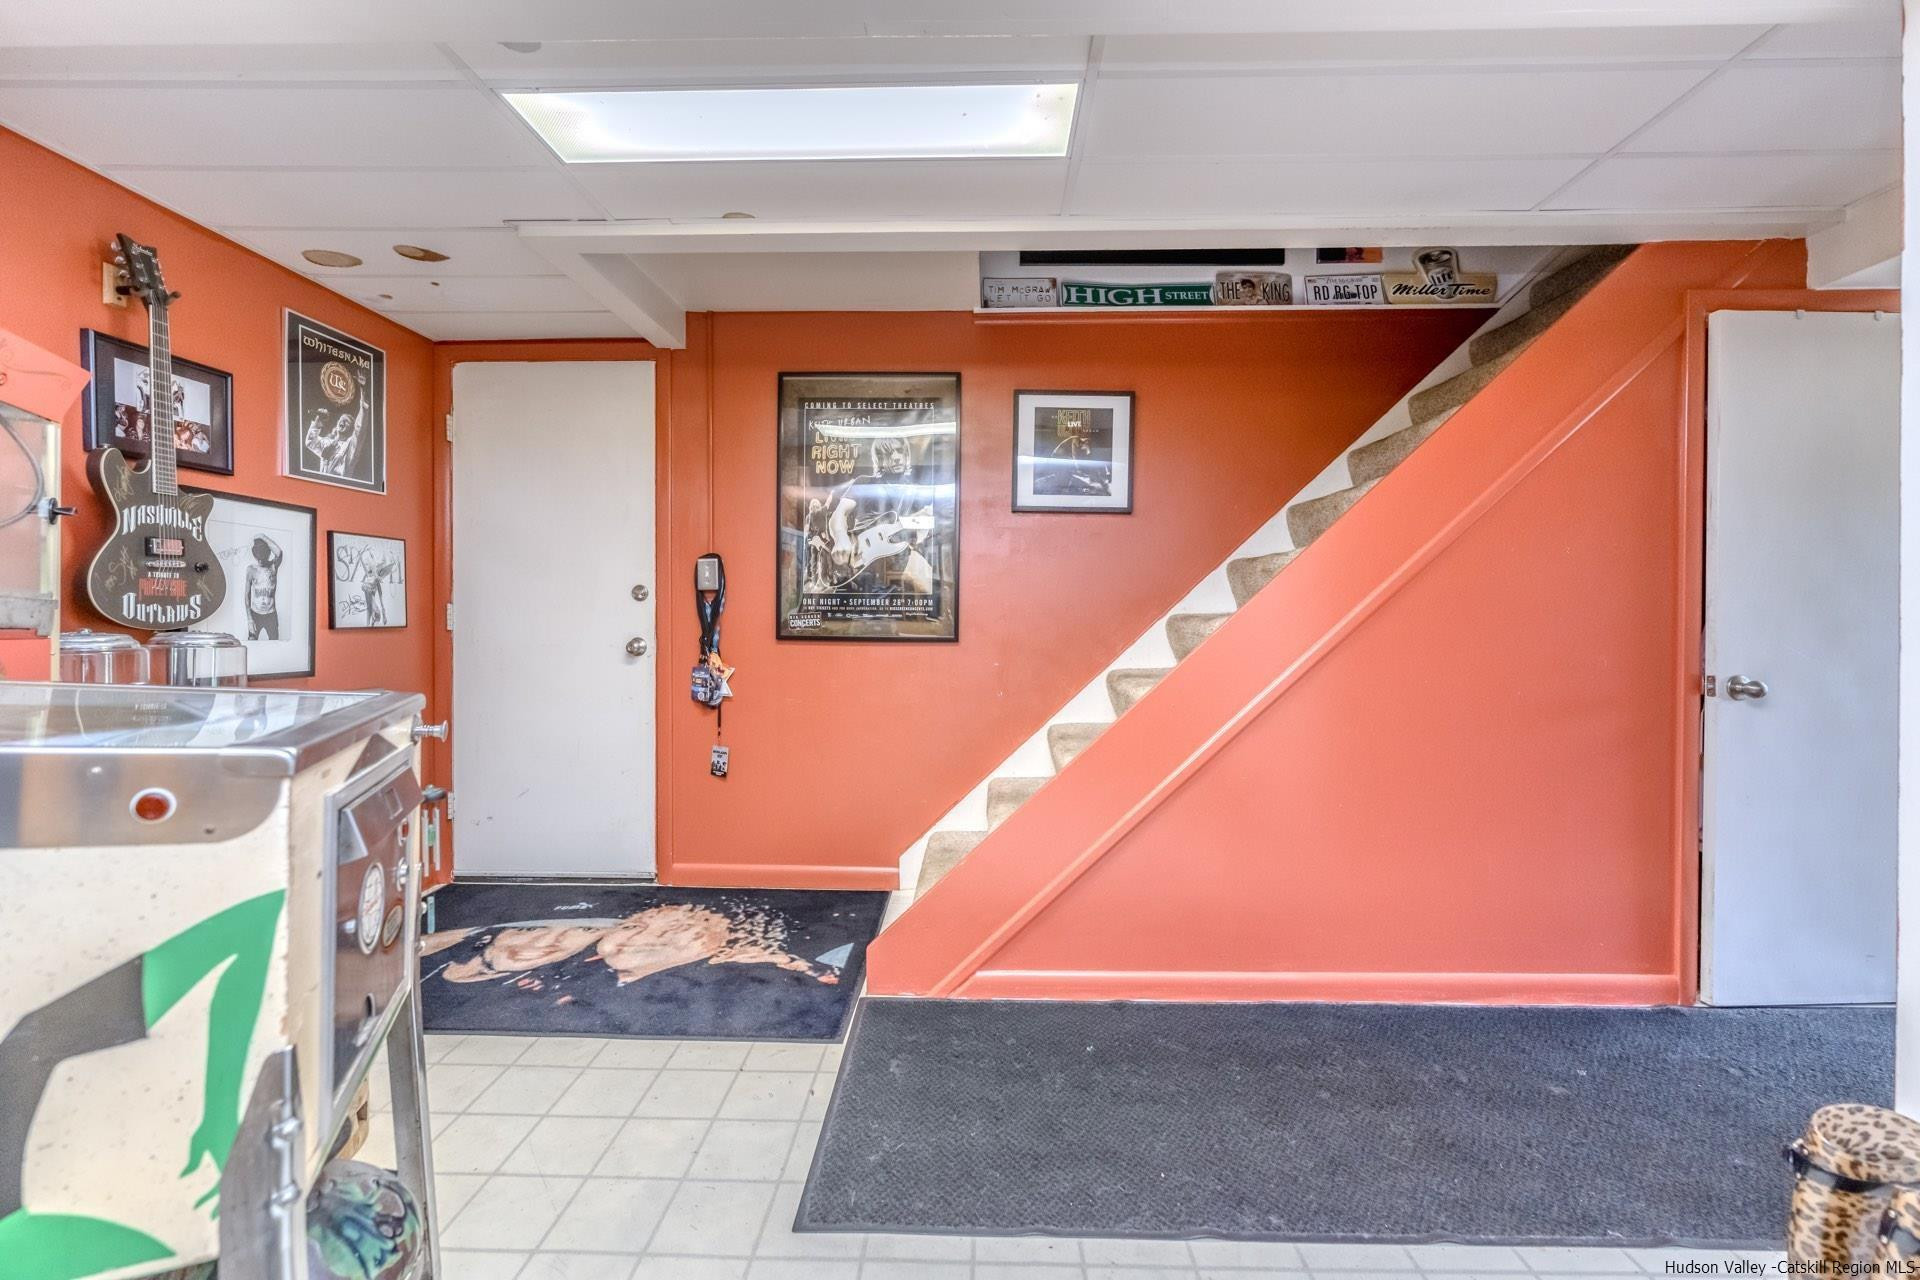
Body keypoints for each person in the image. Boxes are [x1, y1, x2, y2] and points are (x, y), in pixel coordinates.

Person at [245, 534, 282, 640]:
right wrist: (249, 619)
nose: (260, 558)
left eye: (262, 553)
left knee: (275, 644)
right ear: (255, 555)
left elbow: (279, 552)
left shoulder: (273, 566)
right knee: (252, 643)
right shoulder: (251, 569)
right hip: (255, 614)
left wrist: (263, 537)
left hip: (271, 614)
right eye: (257, 554)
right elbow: (247, 595)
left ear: (268, 553)